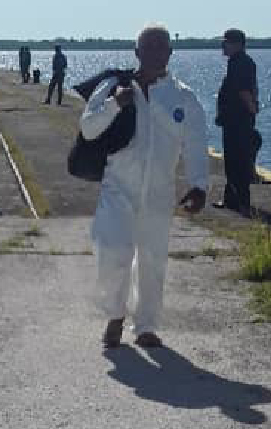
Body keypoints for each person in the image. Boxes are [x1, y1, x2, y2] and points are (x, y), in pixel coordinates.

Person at [81, 25, 208, 348]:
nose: (154, 55)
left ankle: (146, 325)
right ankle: (115, 313)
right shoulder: (115, 87)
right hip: (117, 187)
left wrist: (198, 185)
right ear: (136, 52)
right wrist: (114, 105)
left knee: (152, 260)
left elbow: (195, 144)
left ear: (169, 53)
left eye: (161, 48)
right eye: (147, 49)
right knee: (113, 251)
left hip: (159, 192)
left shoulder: (182, 96)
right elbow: (88, 129)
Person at [213, 28, 259, 216]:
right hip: (233, 120)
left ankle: (241, 202)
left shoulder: (241, 63)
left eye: (226, 42)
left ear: (237, 44)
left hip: (238, 121)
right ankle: (232, 199)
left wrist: (251, 108)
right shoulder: (238, 62)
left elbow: (244, 90)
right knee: (232, 161)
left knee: (238, 160)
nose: (223, 46)